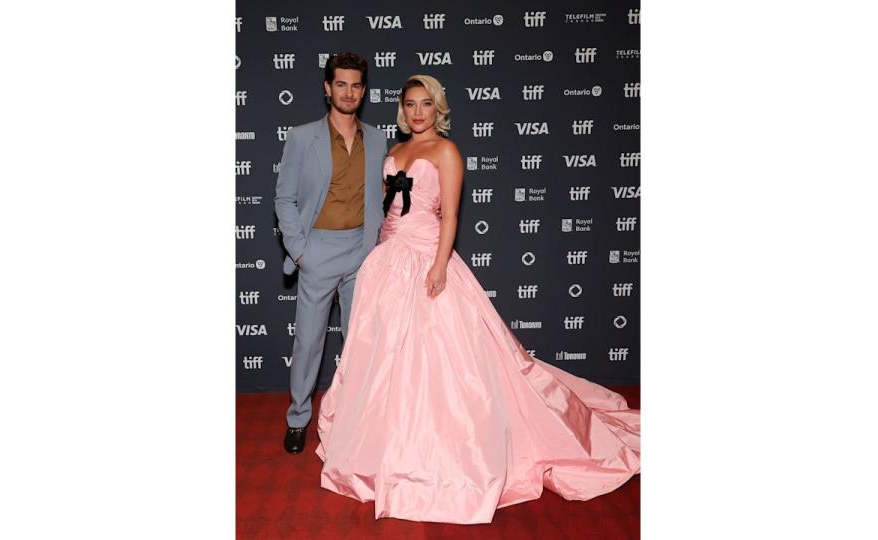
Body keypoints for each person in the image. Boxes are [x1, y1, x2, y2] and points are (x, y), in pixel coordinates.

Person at [315, 74, 641, 524]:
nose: (417, 112)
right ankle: (378, 447)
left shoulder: (447, 152)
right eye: (410, 104)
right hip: (387, 263)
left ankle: (442, 450)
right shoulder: (394, 152)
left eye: (425, 104)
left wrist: (439, 264)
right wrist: (379, 255)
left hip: (429, 258)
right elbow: (390, 211)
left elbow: (449, 213)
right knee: (382, 359)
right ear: (402, 109)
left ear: (438, 108)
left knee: (443, 364)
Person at [273, 52, 387, 454]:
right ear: (327, 88)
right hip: (318, 249)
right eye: (341, 84)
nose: (349, 92)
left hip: (362, 251)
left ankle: (354, 419)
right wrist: (301, 251)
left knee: (359, 341)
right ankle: (298, 417)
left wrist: (376, 248)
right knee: (308, 341)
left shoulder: (377, 138)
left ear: (364, 90)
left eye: (356, 85)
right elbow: (284, 197)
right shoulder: (303, 137)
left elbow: (382, 197)